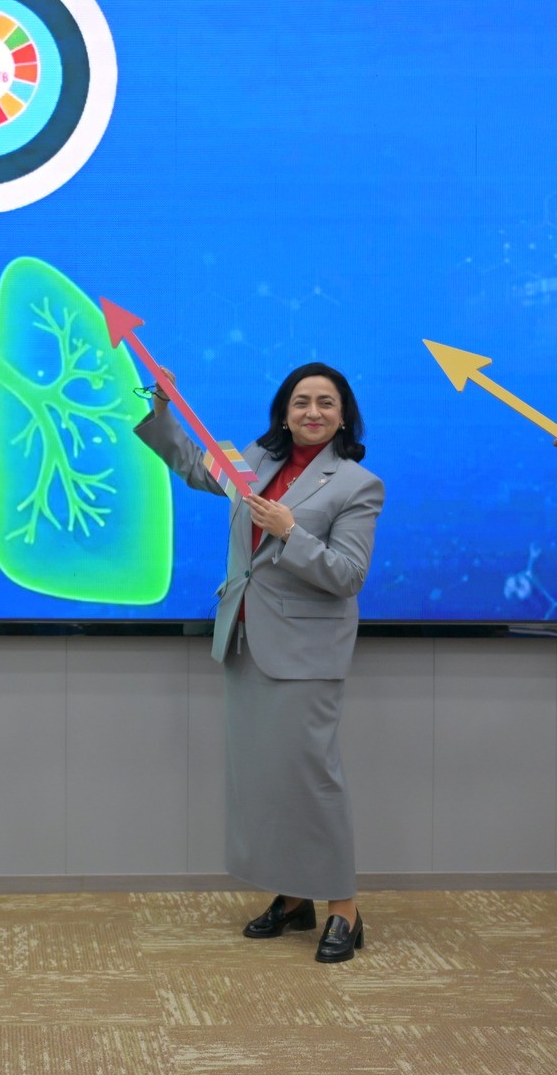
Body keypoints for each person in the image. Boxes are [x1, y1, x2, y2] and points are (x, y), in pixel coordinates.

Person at [135, 362, 384, 962]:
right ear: (284, 413)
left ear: (343, 417)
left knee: (312, 780)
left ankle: (344, 910)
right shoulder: (256, 461)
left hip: (306, 653)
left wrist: (291, 532)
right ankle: (294, 897)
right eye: (301, 402)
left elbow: (348, 575)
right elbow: (194, 466)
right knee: (265, 781)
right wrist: (163, 409)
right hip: (246, 641)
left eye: (325, 403)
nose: (312, 412)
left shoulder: (358, 484)